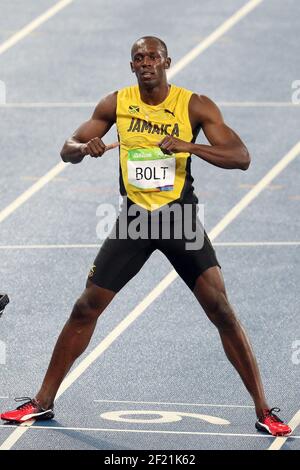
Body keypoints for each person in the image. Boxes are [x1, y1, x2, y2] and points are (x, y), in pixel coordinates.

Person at [1, 36, 291, 437]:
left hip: (179, 219)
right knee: (86, 307)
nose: (146, 62)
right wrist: (86, 147)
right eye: (138, 58)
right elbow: (66, 149)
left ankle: (264, 409)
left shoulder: (194, 105)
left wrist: (188, 145)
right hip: (135, 220)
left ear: (166, 61)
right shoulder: (115, 103)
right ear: (132, 66)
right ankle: (41, 402)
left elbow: (241, 158)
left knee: (220, 310)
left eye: (153, 56)